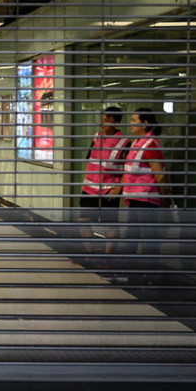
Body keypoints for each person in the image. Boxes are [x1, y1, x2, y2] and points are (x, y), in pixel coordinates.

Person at [121, 108, 168, 281]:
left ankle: (151, 275)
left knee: (148, 239)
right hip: (135, 198)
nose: (131, 124)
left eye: (134, 120)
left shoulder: (150, 144)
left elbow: (160, 175)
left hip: (146, 199)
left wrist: (165, 198)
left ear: (145, 124)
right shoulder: (137, 143)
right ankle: (130, 274)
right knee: (132, 236)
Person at [78, 106, 129, 264]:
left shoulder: (124, 143)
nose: (103, 122)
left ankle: (108, 257)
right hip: (89, 189)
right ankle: (90, 254)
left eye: (107, 120)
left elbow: (128, 169)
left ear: (116, 122)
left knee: (111, 225)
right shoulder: (97, 137)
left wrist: (118, 188)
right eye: (102, 118)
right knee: (83, 221)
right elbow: (90, 161)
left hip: (109, 191)